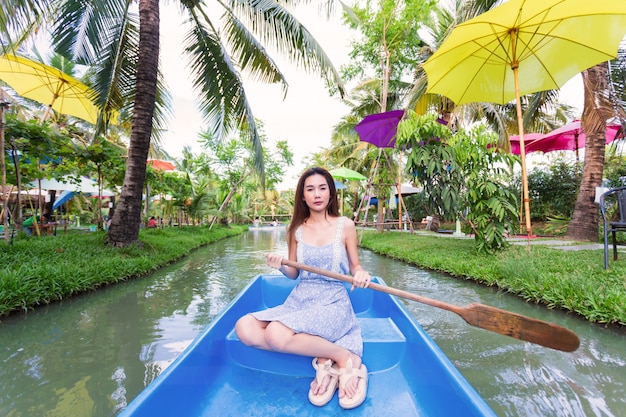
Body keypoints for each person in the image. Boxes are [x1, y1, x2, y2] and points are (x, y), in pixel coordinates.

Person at [235, 167, 371, 409]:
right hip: (301, 300)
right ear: (303, 196)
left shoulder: (345, 225)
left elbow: (355, 267)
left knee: (276, 333)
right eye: (310, 189)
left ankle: (341, 358)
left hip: (332, 301)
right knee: (244, 327)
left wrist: (361, 274)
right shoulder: (295, 229)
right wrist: (280, 266)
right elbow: (294, 273)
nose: (317, 194)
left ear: (331, 194)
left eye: (322, 188)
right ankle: (337, 355)